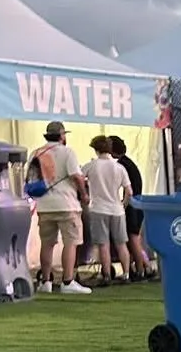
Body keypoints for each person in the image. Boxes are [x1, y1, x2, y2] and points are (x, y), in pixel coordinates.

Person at [30, 121, 91, 294]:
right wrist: (84, 194)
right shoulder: (68, 152)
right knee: (71, 242)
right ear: (62, 135)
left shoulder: (36, 153)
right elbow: (76, 176)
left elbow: (32, 178)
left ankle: (46, 281)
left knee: (47, 244)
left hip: (44, 205)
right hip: (66, 203)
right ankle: (67, 281)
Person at [81, 135, 132, 286]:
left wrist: (84, 195)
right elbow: (129, 191)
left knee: (103, 244)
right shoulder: (119, 168)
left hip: (98, 209)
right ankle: (126, 274)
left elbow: (78, 179)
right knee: (121, 243)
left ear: (96, 149)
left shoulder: (91, 166)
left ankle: (107, 275)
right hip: (117, 210)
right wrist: (123, 204)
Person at [108, 135, 156, 281]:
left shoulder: (122, 165)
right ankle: (145, 266)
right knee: (135, 239)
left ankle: (141, 270)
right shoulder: (128, 163)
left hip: (132, 206)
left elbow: (129, 190)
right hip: (137, 205)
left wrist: (124, 204)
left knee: (133, 239)